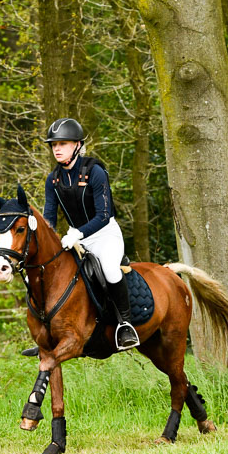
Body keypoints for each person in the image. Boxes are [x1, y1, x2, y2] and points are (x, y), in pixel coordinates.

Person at [43, 117, 140, 351]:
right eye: (54, 145)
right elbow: (49, 218)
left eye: (63, 143)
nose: (57, 149)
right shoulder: (53, 180)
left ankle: (125, 325)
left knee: (109, 269)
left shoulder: (95, 171)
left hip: (105, 235)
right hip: (75, 240)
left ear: (77, 145)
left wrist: (78, 233)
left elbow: (104, 215)